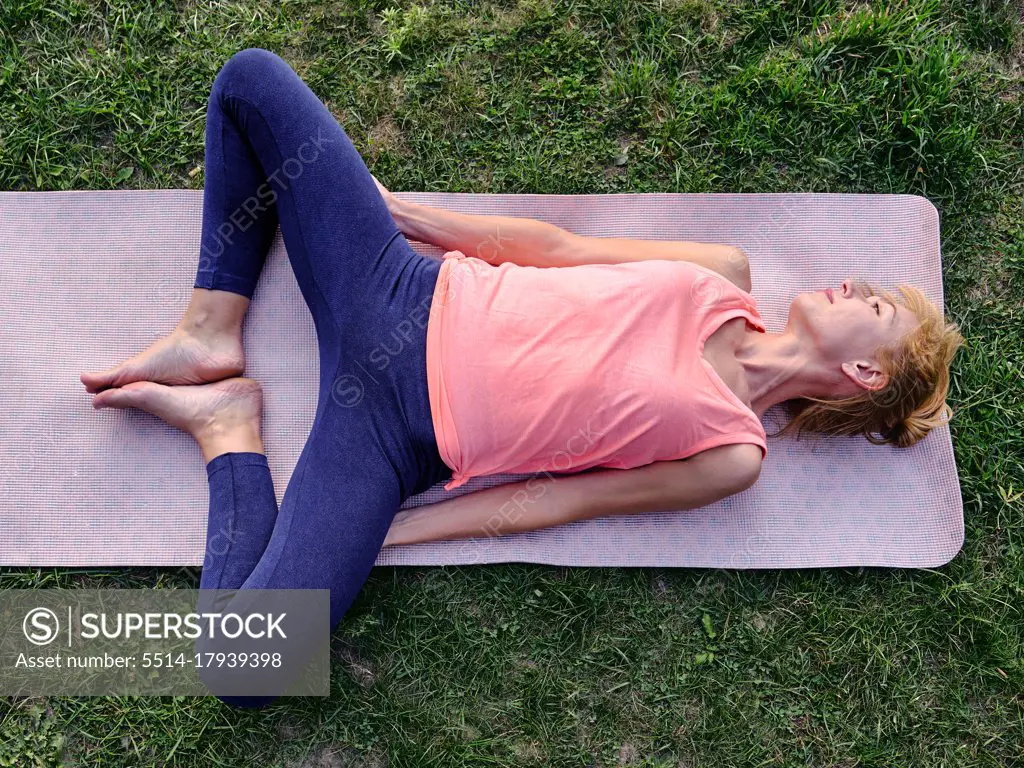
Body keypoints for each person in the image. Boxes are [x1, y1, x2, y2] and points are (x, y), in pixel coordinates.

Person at [79, 48, 963, 706]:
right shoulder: (724, 273)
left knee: (245, 669)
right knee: (251, 82)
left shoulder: (733, 454)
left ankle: (225, 426)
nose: (853, 285)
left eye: (875, 305)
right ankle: (210, 329)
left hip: (395, 440)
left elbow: (552, 501)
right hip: (397, 287)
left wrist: (390, 535)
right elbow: (558, 250)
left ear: (860, 370)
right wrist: (399, 214)